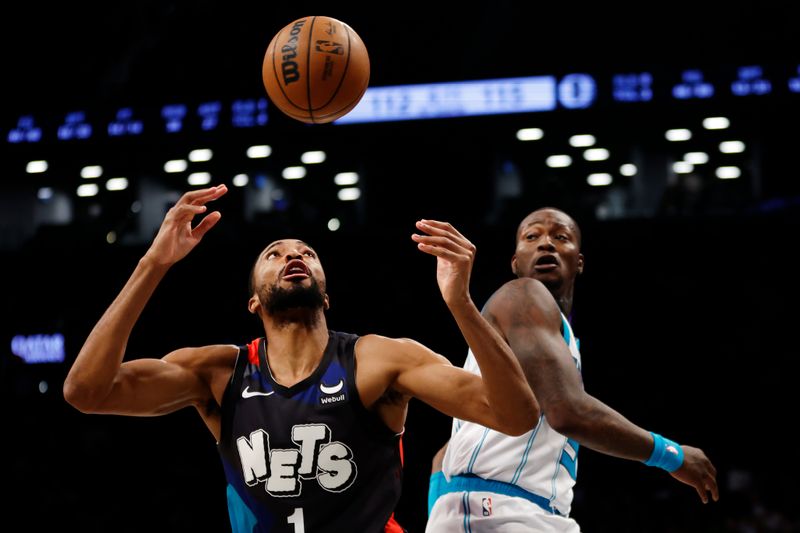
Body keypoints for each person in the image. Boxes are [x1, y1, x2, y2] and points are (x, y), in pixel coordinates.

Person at [62, 184, 540, 533]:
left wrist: (461, 302)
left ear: (326, 295)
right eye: (274, 254)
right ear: (253, 302)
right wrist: (153, 264)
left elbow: (516, 416)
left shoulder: (377, 360)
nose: (293, 256)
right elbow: (86, 391)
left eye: (307, 253)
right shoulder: (218, 374)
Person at [425, 207, 719, 532]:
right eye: (532, 236)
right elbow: (568, 412)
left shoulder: (556, 337)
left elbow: (445, 453)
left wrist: (443, 510)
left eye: (560, 237)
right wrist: (671, 455)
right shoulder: (522, 295)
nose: (546, 244)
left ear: (579, 261)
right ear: (515, 263)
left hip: (521, 511)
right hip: (499, 512)